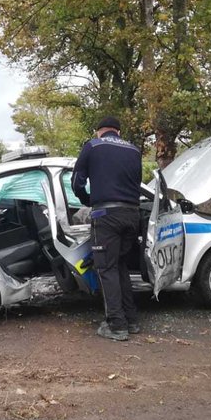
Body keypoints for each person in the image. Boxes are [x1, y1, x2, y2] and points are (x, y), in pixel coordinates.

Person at [72, 116, 142, 341]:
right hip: (132, 216)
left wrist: (88, 200)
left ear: (98, 131)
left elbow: (76, 182)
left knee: (106, 269)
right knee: (120, 266)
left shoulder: (93, 146)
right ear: (118, 132)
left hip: (107, 216)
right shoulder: (134, 150)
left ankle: (116, 325)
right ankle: (130, 320)